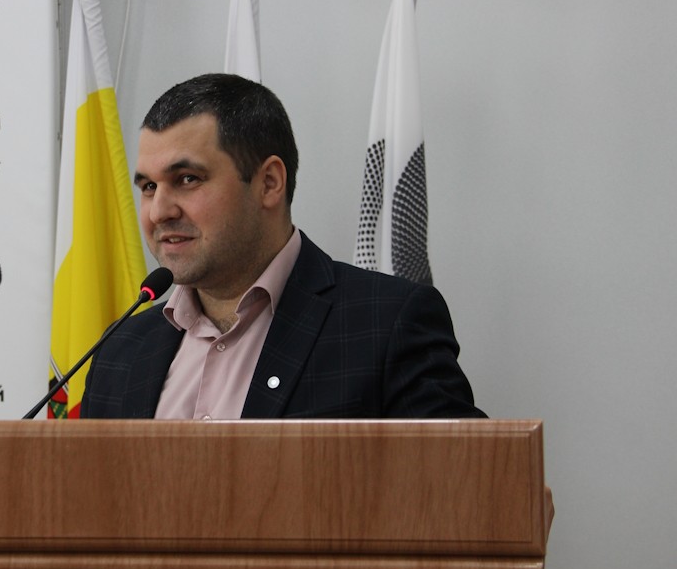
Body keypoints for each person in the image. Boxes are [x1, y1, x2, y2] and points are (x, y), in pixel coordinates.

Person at [80, 73, 485, 419]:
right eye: (148, 187)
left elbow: (462, 480)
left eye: (187, 179)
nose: (159, 212)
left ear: (269, 183)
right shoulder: (120, 351)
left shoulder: (386, 324)